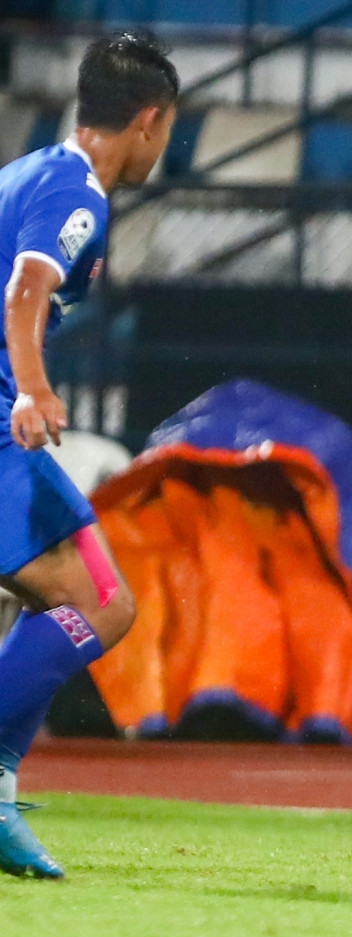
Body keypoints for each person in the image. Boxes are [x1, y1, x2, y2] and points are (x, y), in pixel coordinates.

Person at [0, 33, 178, 878]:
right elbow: (27, 289)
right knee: (100, 606)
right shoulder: (78, 195)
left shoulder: (34, 169)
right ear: (149, 121)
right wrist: (33, 388)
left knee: (60, 603)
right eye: (168, 129)